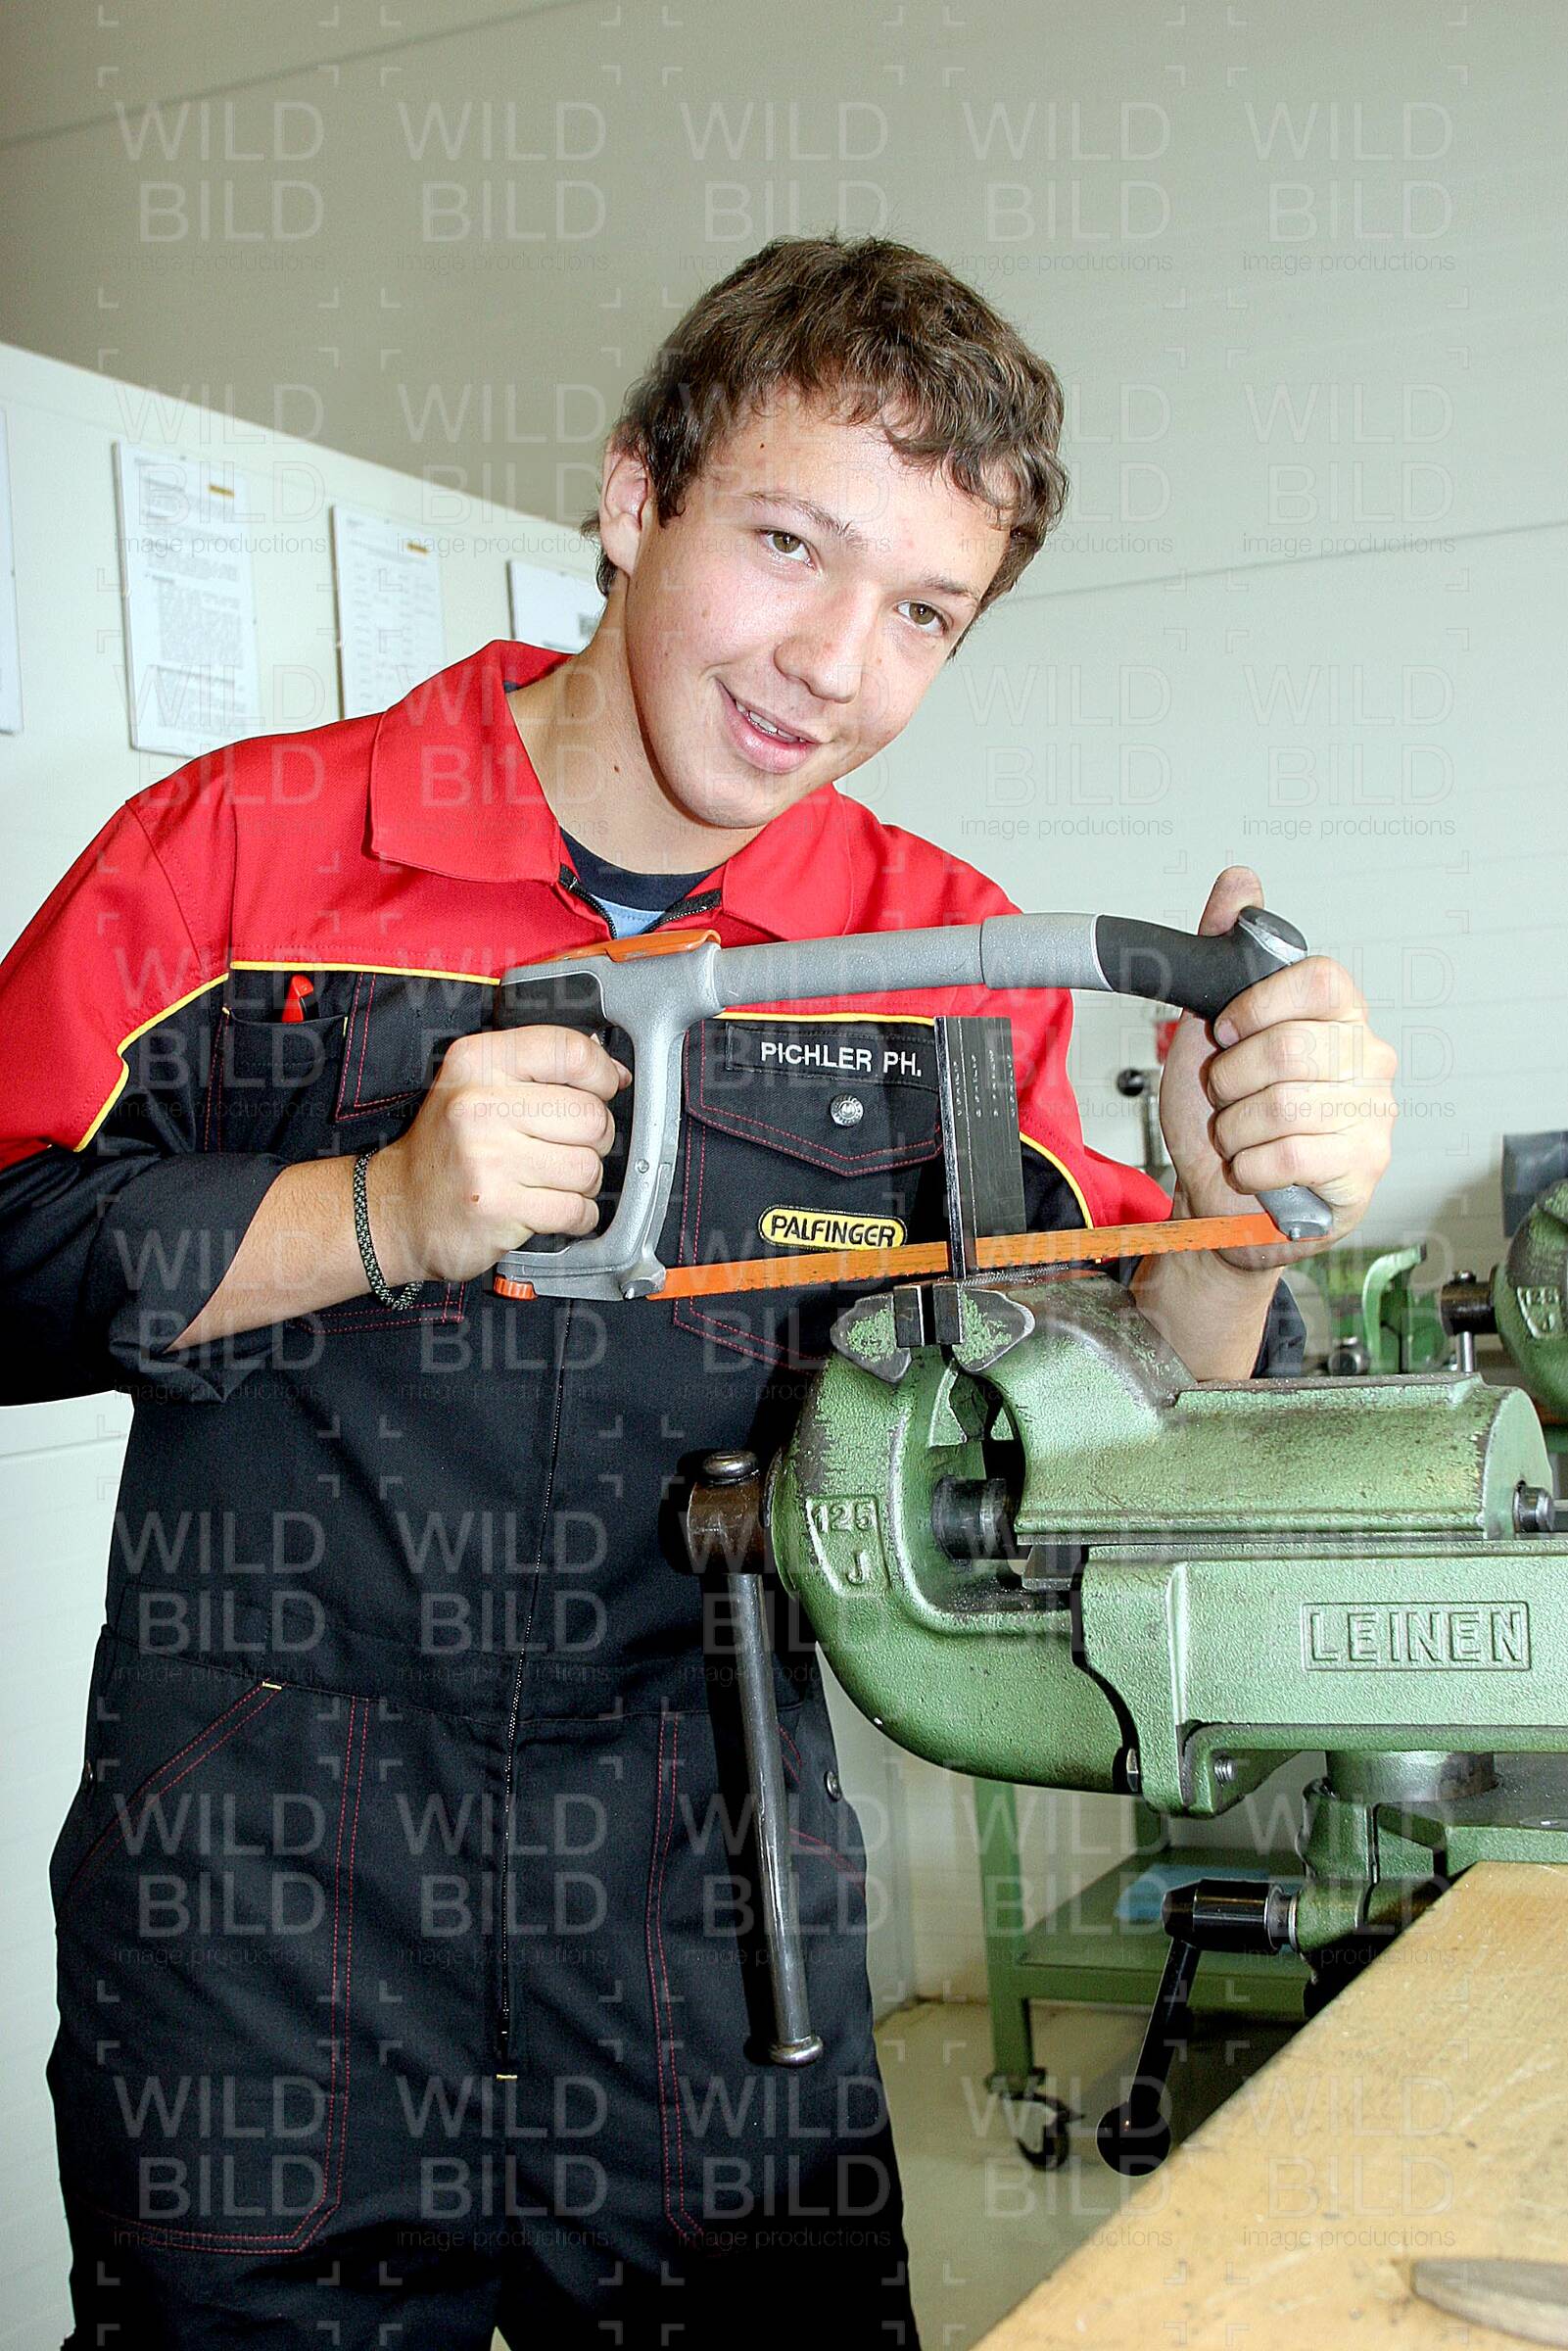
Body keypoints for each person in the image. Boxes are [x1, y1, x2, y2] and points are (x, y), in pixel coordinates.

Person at [0, 233, 1397, 2349]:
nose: (832, 664)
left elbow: (1125, 1437)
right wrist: (375, 1212)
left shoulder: (943, 958)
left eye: (923, 611)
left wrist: (1228, 1219)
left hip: (704, 1904)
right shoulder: (236, 853)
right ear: (634, 494)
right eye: (786, 544)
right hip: (257, 1911)